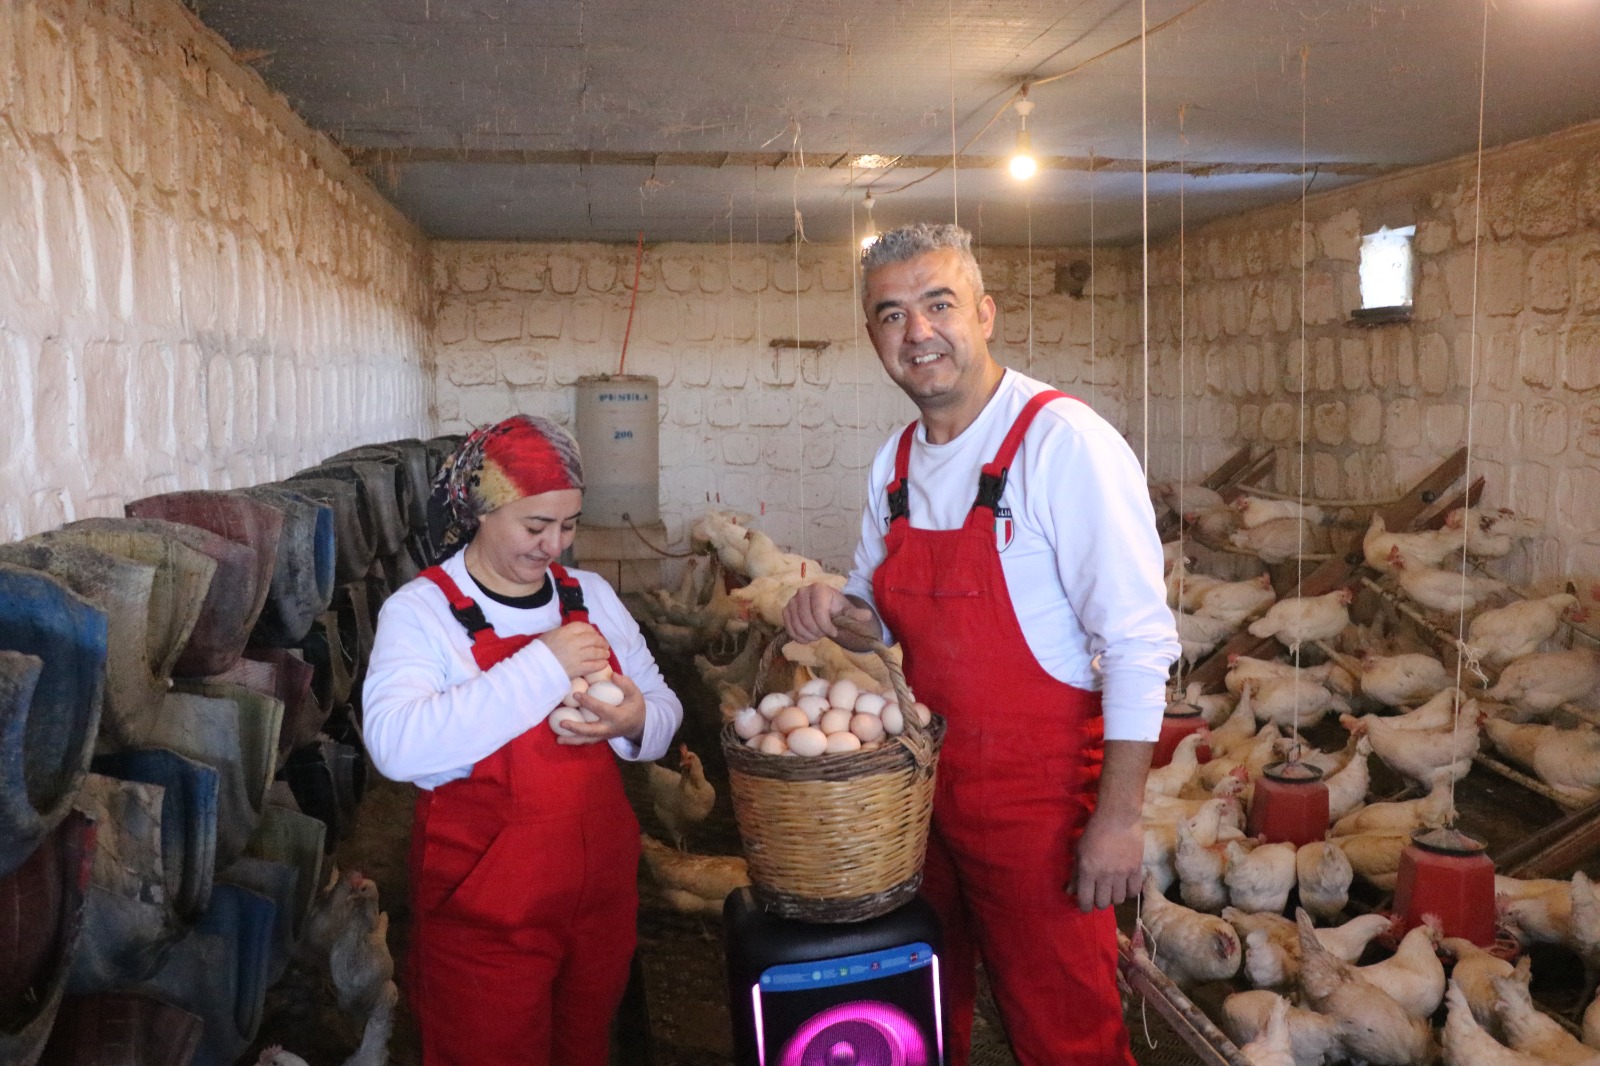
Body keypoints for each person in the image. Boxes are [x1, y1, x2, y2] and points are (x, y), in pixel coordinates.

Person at [784, 223, 1179, 1066]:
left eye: (938, 305)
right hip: (917, 797)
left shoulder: (1061, 441)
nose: (917, 332)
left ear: (986, 313)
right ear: (873, 336)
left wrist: (1116, 820)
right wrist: (838, 609)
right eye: (892, 315)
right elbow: (881, 619)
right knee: (924, 1004)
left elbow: (1141, 642)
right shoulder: (892, 463)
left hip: (1037, 808)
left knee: (1064, 1026)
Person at [363, 414, 683, 1066]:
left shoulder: (590, 596)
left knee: (585, 1049)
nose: (554, 545)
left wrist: (633, 724)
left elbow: (666, 708)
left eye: (568, 524)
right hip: (487, 915)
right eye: (535, 526)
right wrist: (543, 664)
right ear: (481, 510)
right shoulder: (421, 612)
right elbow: (395, 746)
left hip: (598, 902)